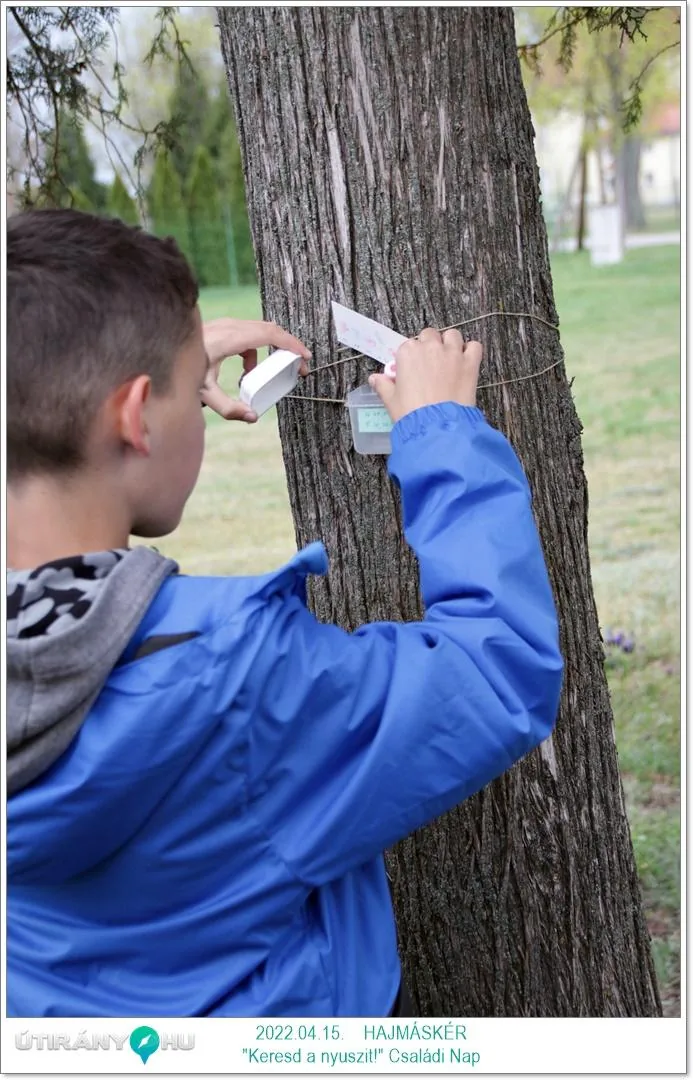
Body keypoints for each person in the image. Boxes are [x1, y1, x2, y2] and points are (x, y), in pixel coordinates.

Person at [7, 209, 563, 1018]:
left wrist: (152, 367)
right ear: (132, 419)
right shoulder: (232, 675)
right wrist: (444, 432)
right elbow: (495, 669)